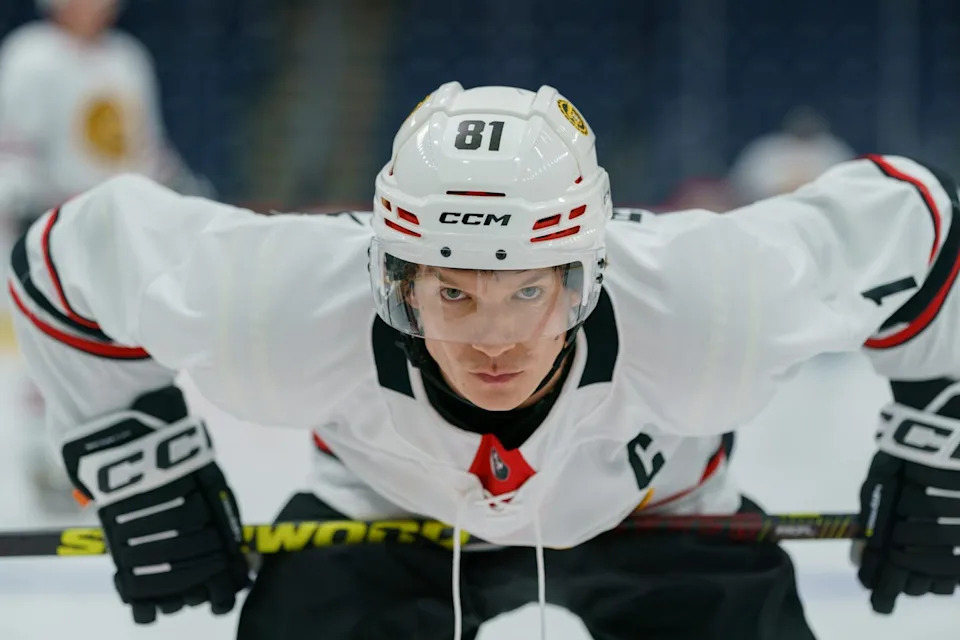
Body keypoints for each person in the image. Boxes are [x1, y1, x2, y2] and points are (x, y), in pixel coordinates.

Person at [8, 82, 960, 640]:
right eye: (454, 293)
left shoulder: (715, 300)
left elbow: (916, 223)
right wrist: (145, 462)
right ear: (395, 278)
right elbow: (63, 260)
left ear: (585, 275)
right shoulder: (275, 302)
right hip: (382, 520)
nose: (494, 338)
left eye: (527, 291)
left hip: (659, 517)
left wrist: (936, 437)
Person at [0, 0, 210, 511]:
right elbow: (12, 150)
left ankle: (117, 458)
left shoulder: (126, 57)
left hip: (117, 229)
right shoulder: (31, 56)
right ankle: (49, 461)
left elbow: (143, 147)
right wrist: (23, 209)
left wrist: (181, 192)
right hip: (53, 228)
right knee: (50, 350)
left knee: (120, 345)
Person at [728, 105, 856, 205]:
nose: (804, 126)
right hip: (770, 208)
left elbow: (847, 186)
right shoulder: (767, 148)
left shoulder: (832, 149)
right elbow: (743, 184)